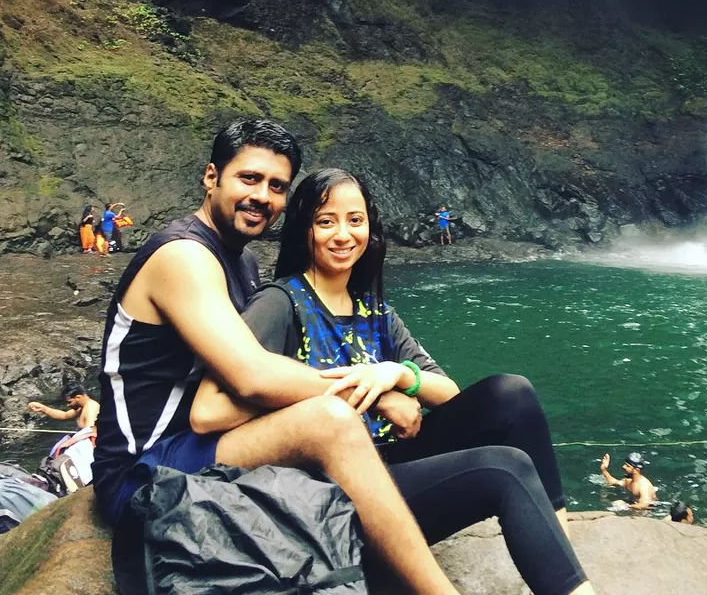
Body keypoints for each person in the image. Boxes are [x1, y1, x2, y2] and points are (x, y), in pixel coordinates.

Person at [92, 120, 464, 595]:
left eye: (277, 187)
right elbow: (250, 376)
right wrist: (378, 391)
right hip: (146, 470)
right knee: (330, 418)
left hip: (209, 444)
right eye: (249, 178)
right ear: (212, 177)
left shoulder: (242, 260)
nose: (262, 196)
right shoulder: (183, 255)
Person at [191, 167, 595, 595]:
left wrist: (396, 375)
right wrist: (367, 396)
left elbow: (449, 393)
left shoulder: (374, 310)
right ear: (304, 229)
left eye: (355, 220)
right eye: (326, 221)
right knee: (505, 467)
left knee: (511, 394)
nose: (343, 234)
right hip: (341, 493)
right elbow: (213, 407)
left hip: (395, 462)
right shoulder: (280, 303)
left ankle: (560, 555)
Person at [27, 384, 100, 430]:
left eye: (69, 402)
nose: (68, 405)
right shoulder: (81, 407)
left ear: (78, 397)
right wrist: (43, 408)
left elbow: (90, 433)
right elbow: (64, 415)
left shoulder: (91, 409)